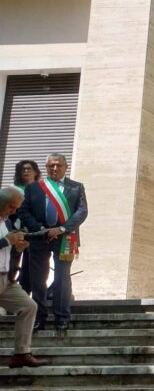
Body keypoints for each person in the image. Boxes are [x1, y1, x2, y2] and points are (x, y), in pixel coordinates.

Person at [18, 153, 87, 332]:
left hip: (65, 237)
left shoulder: (76, 187)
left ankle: (61, 318)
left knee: (62, 278)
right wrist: (41, 229)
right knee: (37, 279)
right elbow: (24, 212)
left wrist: (62, 229)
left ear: (66, 167)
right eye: (51, 165)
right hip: (39, 237)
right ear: (46, 167)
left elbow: (82, 212)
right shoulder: (33, 188)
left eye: (58, 165)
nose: (54, 168)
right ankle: (39, 318)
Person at [0, 186, 48, 368]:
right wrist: (7, 241)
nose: (14, 211)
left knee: (28, 306)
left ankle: (21, 353)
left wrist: (18, 247)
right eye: (12, 207)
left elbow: (7, 251)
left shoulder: (6, 223)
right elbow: (4, 242)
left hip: (6, 278)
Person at [9, 159, 40, 292]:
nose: (26, 171)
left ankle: (24, 294)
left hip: (35, 234)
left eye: (29, 169)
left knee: (30, 268)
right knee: (11, 265)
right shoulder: (12, 190)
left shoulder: (42, 189)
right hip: (16, 233)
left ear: (36, 172)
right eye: (23, 169)